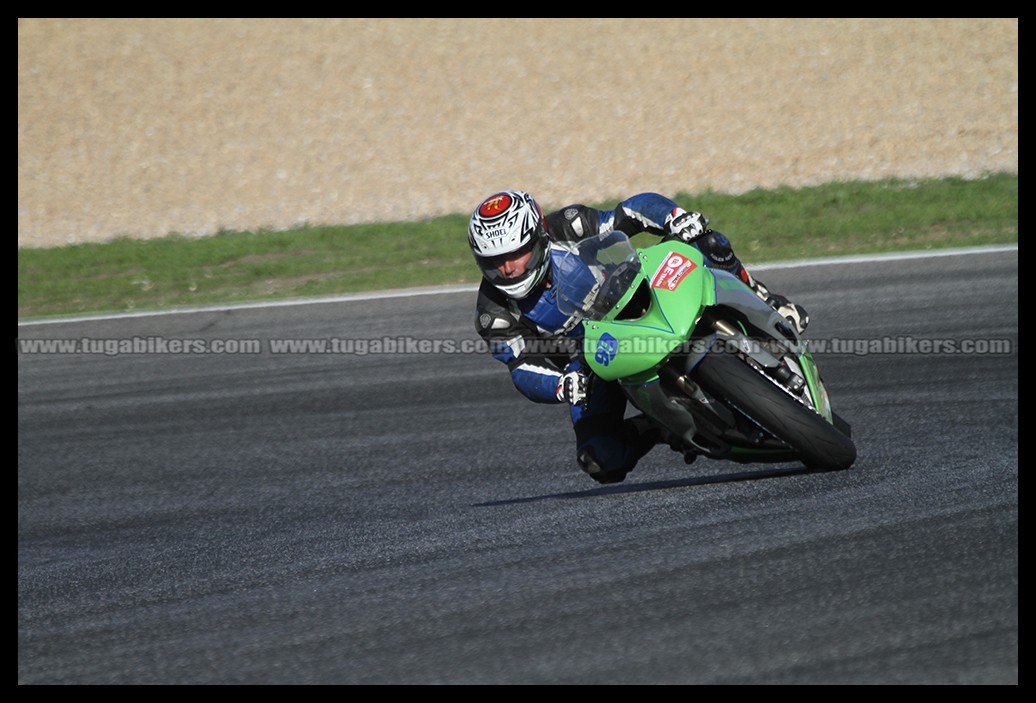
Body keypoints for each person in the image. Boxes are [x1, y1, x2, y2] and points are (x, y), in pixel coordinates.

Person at [469, 189, 808, 484]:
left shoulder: (568, 226)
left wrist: (674, 218)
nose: (507, 268)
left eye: (516, 253)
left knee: (708, 241)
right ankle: (661, 427)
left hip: (633, 294)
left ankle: (769, 302)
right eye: (494, 261)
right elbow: (520, 367)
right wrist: (561, 385)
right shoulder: (493, 312)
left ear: (539, 236)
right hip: (593, 363)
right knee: (601, 459)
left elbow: (630, 211)